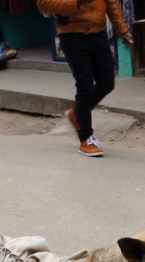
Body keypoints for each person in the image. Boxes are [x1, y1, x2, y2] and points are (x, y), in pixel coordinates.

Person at [37, 0, 133, 157]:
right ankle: (86, 138)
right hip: (73, 35)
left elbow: (112, 2)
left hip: (99, 33)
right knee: (85, 84)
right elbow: (44, 4)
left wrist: (122, 30)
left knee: (107, 82)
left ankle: (77, 115)